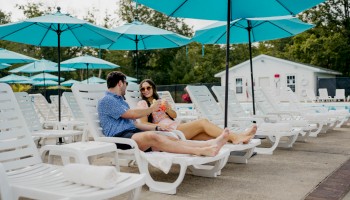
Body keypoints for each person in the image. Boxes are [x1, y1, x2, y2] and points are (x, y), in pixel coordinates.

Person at [97, 71, 229, 157]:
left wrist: (158, 128)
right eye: (125, 83)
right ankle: (202, 151)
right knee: (153, 137)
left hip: (132, 133)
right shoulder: (107, 100)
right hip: (120, 138)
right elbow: (131, 114)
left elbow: (137, 123)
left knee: (167, 137)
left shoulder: (120, 101)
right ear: (120, 83)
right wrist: (151, 109)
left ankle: (209, 144)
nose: (126, 86)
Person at [137, 79, 257, 144]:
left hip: (176, 126)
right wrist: (159, 126)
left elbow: (174, 115)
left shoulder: (160, 101)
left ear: (153, 88)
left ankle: (239, 137)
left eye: (148, 87)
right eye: (143, 89)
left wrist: (167, 108)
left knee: (208, 136)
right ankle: (236, 137)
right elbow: (144, 124)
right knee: (203, 122)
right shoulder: (143, 104)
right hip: (169, 131)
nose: (146, 90)